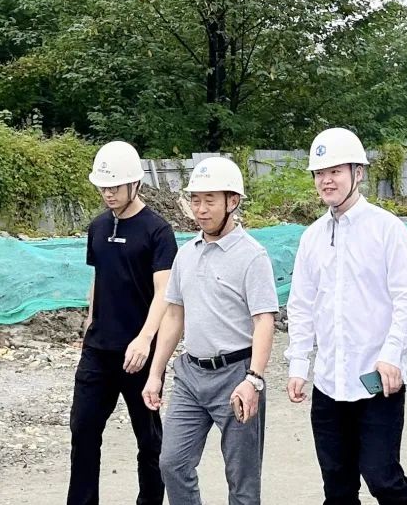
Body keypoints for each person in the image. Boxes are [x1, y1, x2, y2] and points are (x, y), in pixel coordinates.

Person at [286, 127, 407, 505]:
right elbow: (301, 304)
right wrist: (298, 364)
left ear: (357, 173)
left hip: (377, 380)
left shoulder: (387, 229)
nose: (326, 180)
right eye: (319, 173)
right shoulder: (312, 237)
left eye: (335, 171)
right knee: (337, 487)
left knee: (383, 477)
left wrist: (392, 354)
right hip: (329, 382)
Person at [143, 157, 278, 505]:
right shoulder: (186, 254)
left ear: (232, 201)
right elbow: (174, 316)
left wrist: (254, 379)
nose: (200, 210)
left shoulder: (252, 256)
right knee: (172, 463)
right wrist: (155, 374)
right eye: (195, 200)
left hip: (236, 375)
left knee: (242, 481)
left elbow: (264, 321)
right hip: (190, 375)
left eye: (210, 201)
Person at [67, 141, 178, 505]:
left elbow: (164, 292)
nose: (108, 194)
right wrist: (89, 322)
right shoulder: (98, 227)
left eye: (115, 187)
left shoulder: (158, 231)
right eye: (103, 187)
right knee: (83, 431)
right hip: (98, 351)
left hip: (139, 354)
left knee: (148, 439)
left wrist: (145, 339)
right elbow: (99, 277)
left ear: (135, 184)